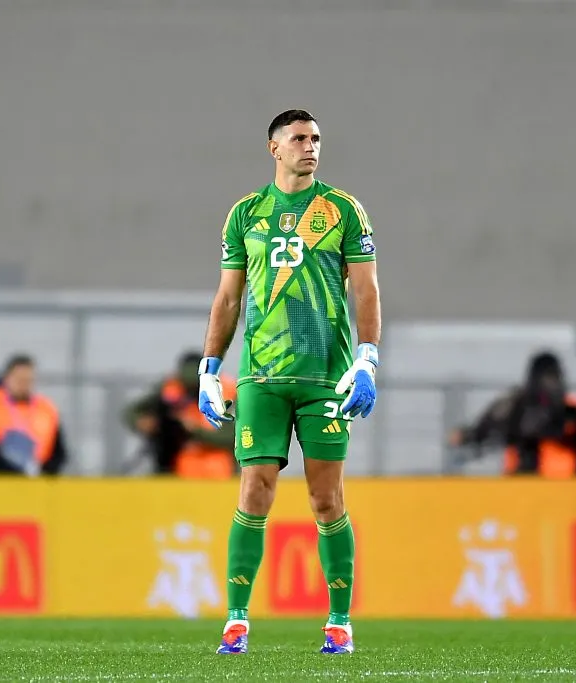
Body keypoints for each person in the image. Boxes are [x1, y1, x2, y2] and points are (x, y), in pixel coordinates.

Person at [197, 110, 380, 655]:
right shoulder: (246, 214)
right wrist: (210, 369)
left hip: (326, 376)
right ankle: (235, 619)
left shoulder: (343, 210)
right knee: (255, 489)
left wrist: (367, 360)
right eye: (299, 138)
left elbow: (365, 290)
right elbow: (229, 298)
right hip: (261, 378)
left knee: (327, 498)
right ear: (273, 148)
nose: (311, 147)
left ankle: (340, 621)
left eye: (317, 138)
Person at [451, 352, 576, 477]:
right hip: (524, 486)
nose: (551, 384)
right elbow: (484, 428)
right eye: (547, 377)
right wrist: (466, 436)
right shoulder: (515, 404)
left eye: (555, 377)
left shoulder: (571, 408)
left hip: (568, 489)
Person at [122, 350, 236, 478]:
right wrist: (143, 422)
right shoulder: (170, 388)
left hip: (219, 471)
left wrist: (195, 430)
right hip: (176, 467)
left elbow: (233, 437)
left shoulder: (228, 394)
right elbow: (134, 410)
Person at [0, 354, 69, 476]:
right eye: (19, 379)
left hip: (39, 484)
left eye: (28, 380)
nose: (24, 385)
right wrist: (16, 474)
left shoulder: (47, 409)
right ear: (7, 379)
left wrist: (42, 471)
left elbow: (60, 453)